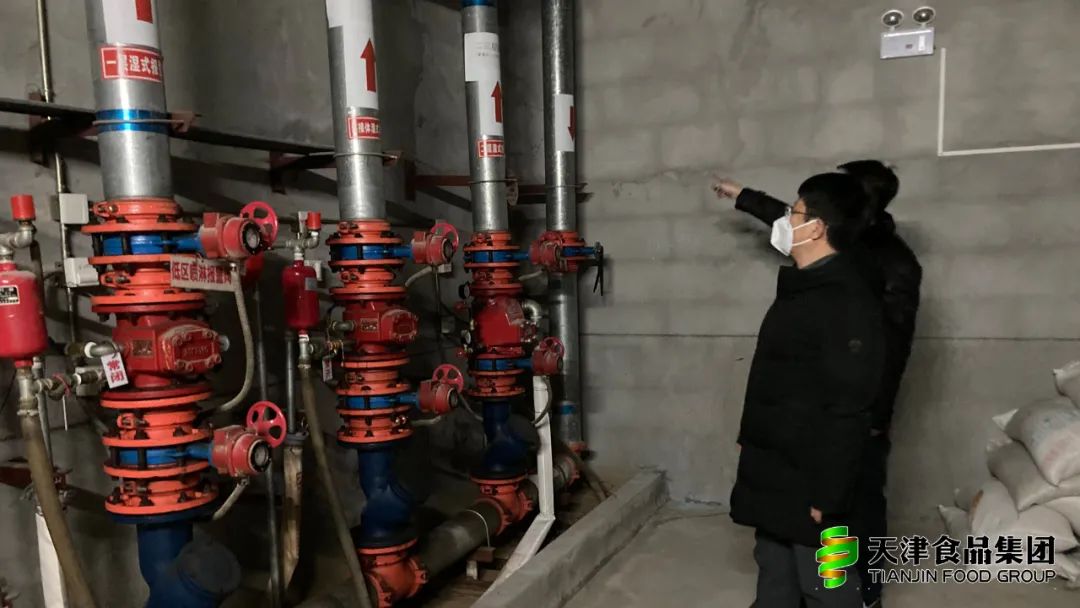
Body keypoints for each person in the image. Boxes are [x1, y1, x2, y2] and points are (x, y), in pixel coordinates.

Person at [715, 161, 921, 608]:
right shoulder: (804, 285)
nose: (786, 221)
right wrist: (752, 436)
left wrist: (829, 495)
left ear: (819, 227)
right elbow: (775, 375)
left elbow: (849, 405)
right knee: (774, 569)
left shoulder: (851, 301)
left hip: (818, 474)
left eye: (795, 213)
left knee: (827, 581)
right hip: (780, 462)